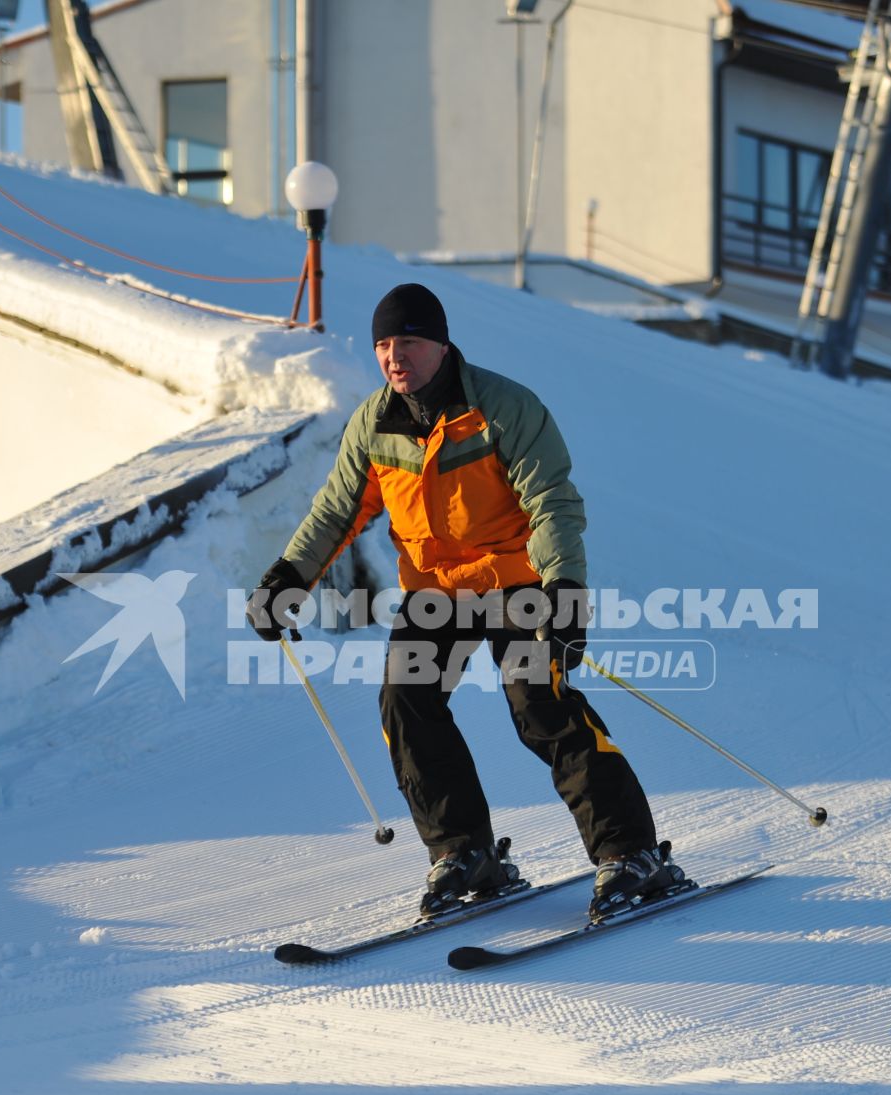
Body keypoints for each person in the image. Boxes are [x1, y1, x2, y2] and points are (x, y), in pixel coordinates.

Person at [248, 283, 684, 922]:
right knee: (406, 701)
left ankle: (632, 854)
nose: (396, 356)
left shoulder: (503, 407)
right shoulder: (374, 423)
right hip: (437, 594)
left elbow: (552, 502)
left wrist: (565, 594)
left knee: (542, 706)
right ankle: (464, 852)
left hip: (516, 582)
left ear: (442, 345)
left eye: (410, 342)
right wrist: (288, 578)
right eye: (384, 345)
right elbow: (337, 509)